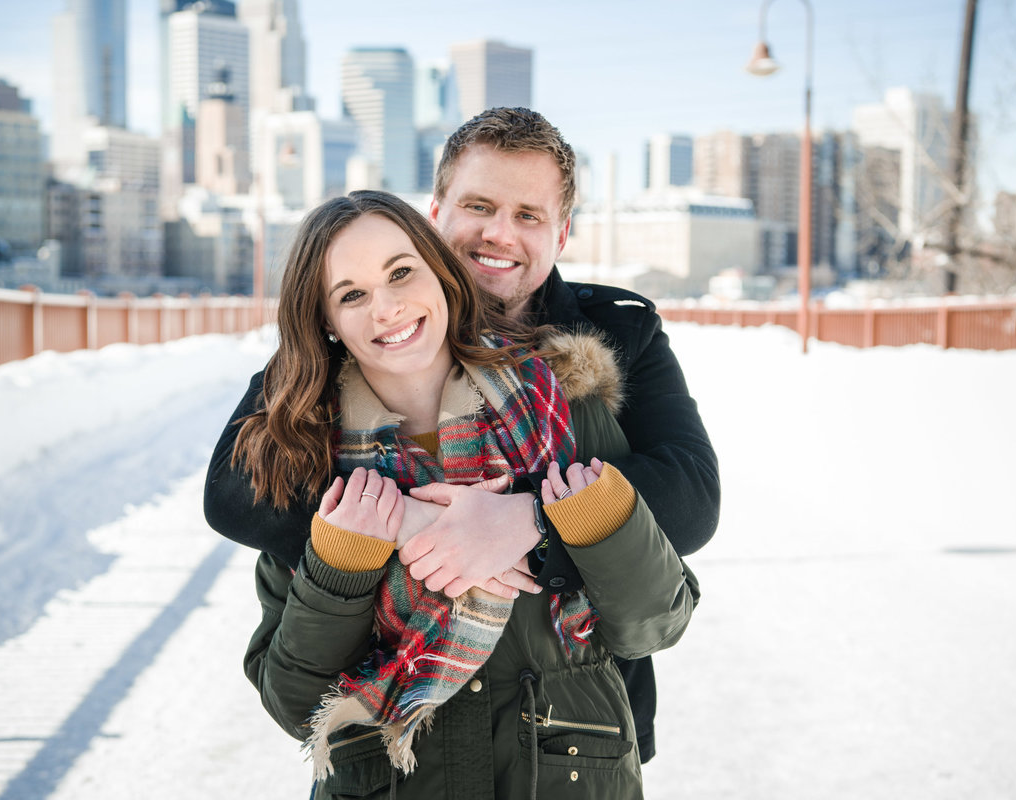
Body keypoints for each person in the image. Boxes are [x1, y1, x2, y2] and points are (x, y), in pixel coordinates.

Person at [205, 106, 719, 762]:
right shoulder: (334, 370)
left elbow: (691, 503)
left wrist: (527, 520)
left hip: (572, 737)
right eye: (479, 205)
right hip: (403, 752)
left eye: (528, 215)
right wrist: (408, 522)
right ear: (435, 213)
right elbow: (233, 491)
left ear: (562, 233)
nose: (499, 234)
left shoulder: (606, 344)